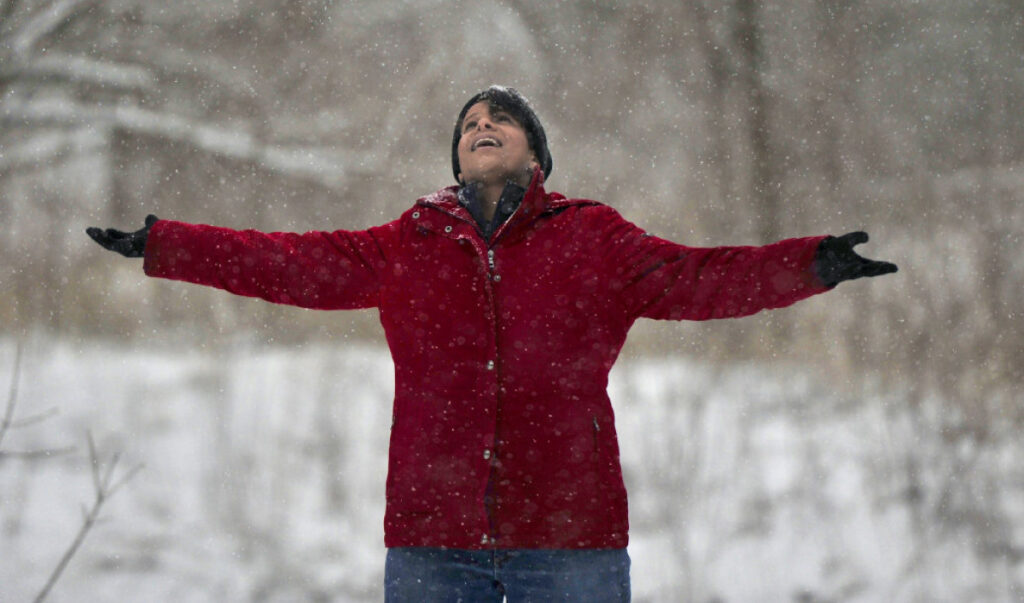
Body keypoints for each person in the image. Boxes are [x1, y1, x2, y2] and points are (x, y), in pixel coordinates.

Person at [87, 85, 897, 602]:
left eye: (500, 118)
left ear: (536, 155)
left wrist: (810, 263)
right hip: (433, 542)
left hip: (569, 539)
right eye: (470, 122)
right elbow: (289, 263)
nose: (482, 125)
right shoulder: (409, 242)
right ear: (455, 157)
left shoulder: (593, 238)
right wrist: (168, 245)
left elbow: (699, 278)